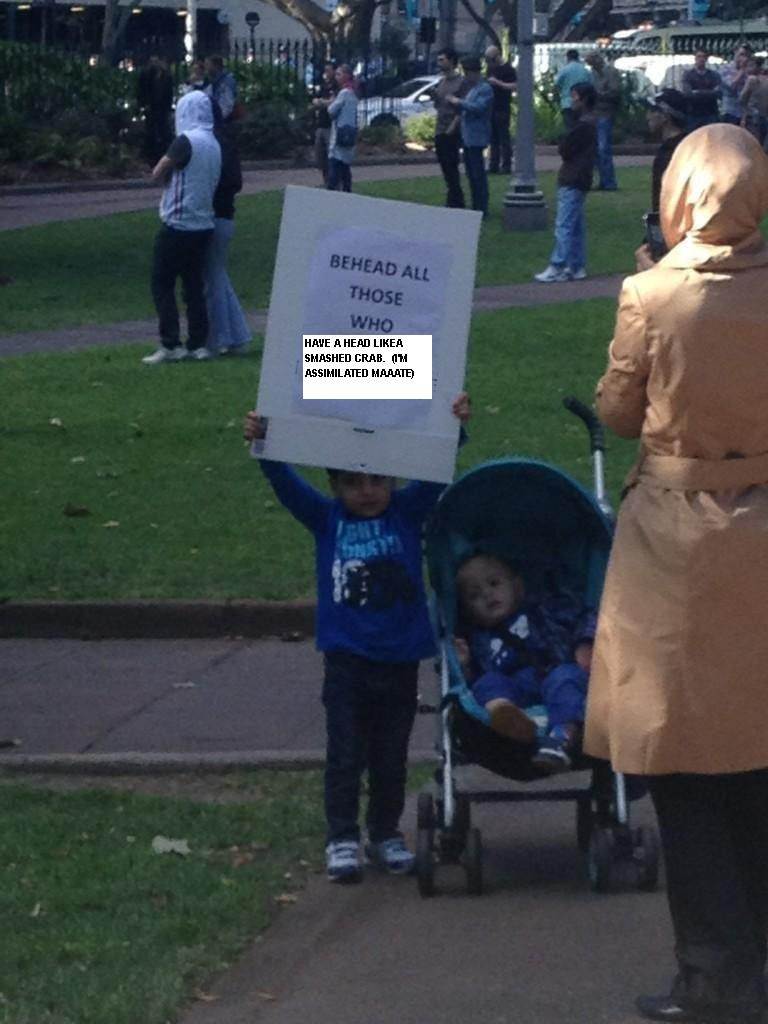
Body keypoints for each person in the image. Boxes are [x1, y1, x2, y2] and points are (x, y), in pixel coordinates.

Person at [584, 124, 768, 1024]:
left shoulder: (651, 294)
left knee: (681, 761)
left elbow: (619, 413)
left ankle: (710, 972)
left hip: (675, 543)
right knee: (759, 755)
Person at [242, 394, 471, 883]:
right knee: (345, 754)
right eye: (352, 482)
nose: (367, 491)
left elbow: (437, 470)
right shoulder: (327, 519)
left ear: (392, 480)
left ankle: (384, 833)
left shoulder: (407, 513)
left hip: (399, 660)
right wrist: (265, 441)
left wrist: (453, 424)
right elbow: (285, 483)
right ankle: (342, 837)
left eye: (377, 481)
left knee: (391, 757)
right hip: (347, 662)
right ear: (335, 486)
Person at [454, 554, 595, 773]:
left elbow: (586, 617)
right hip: (515, 687)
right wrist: (464, 665)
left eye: (494, 583)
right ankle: (505, 714)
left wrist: (585, 643)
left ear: (517, 586)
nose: (487, 594)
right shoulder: (477, 638)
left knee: (564, 680)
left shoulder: (545, 609)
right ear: (467, 609)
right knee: (488, 681)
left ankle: (563, 734)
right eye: (475, 595)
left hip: (555, 671)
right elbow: (472, 684)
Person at [142, 91, 221, 365]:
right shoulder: (213, 143)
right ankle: (198, 343)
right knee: (193, 285)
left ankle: (171, 342)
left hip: (178, 221)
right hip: (203, 223)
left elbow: (158, 172)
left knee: (162, 281)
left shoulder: (185, 141)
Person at [534, 81, 597, 284]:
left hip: (572, 176)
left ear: (583, 99)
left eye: (575, 96)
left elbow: (565, 149)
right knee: (575, 224)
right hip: (581, 177)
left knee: (565, 224)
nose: (572, 101)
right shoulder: (590, 123)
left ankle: (558, 264)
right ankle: (576, 265)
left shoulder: (582, 126)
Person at [204, 114, 250, 356]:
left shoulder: (211, 144)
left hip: (214, 214)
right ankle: (237, 334)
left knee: (212, 276)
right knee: (217, 274)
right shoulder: (226, 143)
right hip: (225, 214)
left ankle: (219, 336)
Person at [447, 55, 493, 217]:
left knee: (478, 174)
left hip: (477, 136)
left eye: (467, 73)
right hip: (468, 137)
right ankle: (476, 205)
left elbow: (479, 108)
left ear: (474, 72)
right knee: (471, 174)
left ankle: (482, 206)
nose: (466, 77)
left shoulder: (484, 89)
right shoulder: (473, 89)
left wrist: (458, 102)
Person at [429, 48, 467, 209]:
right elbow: (439, 105)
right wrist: (435, 97)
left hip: (452, 129)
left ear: (451, 61)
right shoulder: (441, 82)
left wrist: (453, 126)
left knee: (451, 164)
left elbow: (463, 108)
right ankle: (453, 196)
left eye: (442, 60)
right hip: (440, 127)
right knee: (444, 164)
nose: (439, 63)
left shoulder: (461, 82)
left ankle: (456, 200)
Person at [644, 88, 687, 213]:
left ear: (665, 116)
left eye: (652, 111)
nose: (647, 116)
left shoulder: (668, 153)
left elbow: (662, 202)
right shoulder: (690, 146)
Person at [585, 50, 621, 190]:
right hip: (595, 113)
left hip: (606, 112)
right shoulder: (592, 74)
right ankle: (603, 181)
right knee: (596, 149)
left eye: (593, 63)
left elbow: (615, 92)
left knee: (603, 148)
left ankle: (609, 182)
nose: (592, 66)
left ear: (598, 60)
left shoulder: (611, 72)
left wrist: (598, 94)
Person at [325, 64, 358, 193]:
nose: (336, 77)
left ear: (346, 76)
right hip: (350, 133)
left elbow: (331, 110)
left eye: (339, 74)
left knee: (335, 165)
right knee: (345, 167)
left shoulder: (344, 93)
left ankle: (332, 191)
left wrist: (330, 102)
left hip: (339, 134)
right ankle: (347, 191)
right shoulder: (354, 93)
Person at [484, 45, 516, 174]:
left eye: (490, 59)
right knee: (493, 138)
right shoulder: (491, 68)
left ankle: (506, 165)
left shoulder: (508, 69)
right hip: (492, 106)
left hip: (502, 106)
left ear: (497, 56)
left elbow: (514, 86)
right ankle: (494, 164)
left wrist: (498, 83)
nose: (489, 62)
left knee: (504, 138)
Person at [137, 55, 174, 166]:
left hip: (163, 107)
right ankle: (151, 154)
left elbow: (169, 92)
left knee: (163, 130)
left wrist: (168, 106)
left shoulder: (167, 75)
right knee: (151, 130)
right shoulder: (147, 74)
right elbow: (141, 90)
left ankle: (162, 153)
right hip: (151, 106)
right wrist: (144, 104)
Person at [681, 50, 721, 131]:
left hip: (711, 113)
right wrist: (709, 92)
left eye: (703, 57)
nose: (701, 59)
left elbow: (718, 93)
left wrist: (697, 92)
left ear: (706, 59)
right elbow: (688, 94)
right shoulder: (688, 74)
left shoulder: (714, 75)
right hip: (693, 115)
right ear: (695, 58)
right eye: (699, 56)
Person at [312, 62, 336, 187]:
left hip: (330, 125)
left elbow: (333, 102)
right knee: (320, 156)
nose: (326, 73)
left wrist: (321, 102)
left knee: (330, 155)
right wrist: (320, 102)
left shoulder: (336, 86)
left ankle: (334, 182)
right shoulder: (322, 86)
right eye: (325, 70)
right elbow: (315, 100)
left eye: (329, 70)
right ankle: (326, 181)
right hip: (320, 124)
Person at [555, 49, 592, 129]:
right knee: (582, 127)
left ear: (567, 58)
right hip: (583, 103)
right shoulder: (585, 70)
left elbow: (557, 85)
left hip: (567, 103)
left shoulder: (564, 70)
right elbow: (591, 85)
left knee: (570, 128)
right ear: (578, 57)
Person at [719, 44, 752, 125]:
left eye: (747, 56)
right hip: (730, 111)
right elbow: (731, 86)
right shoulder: (725, 68)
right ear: (735, 53)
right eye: (742, 54)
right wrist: (742, 70)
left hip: (746, 112)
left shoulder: (750, 70)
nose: (744, 58)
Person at [739, 57, 768, 146]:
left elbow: (742, 98)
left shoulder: (752, 79)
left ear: (758, 67)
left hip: (754, 117)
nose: (748, 69)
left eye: (751, 66)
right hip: (761, 116)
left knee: (754, 144)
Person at [204, 55, 237, 123]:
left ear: (216, 66)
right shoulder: (213, 82)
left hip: (223, 122)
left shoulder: (226, 82)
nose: (206, 67)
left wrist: (216, 119)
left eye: (208, 64)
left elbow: (227, 106)